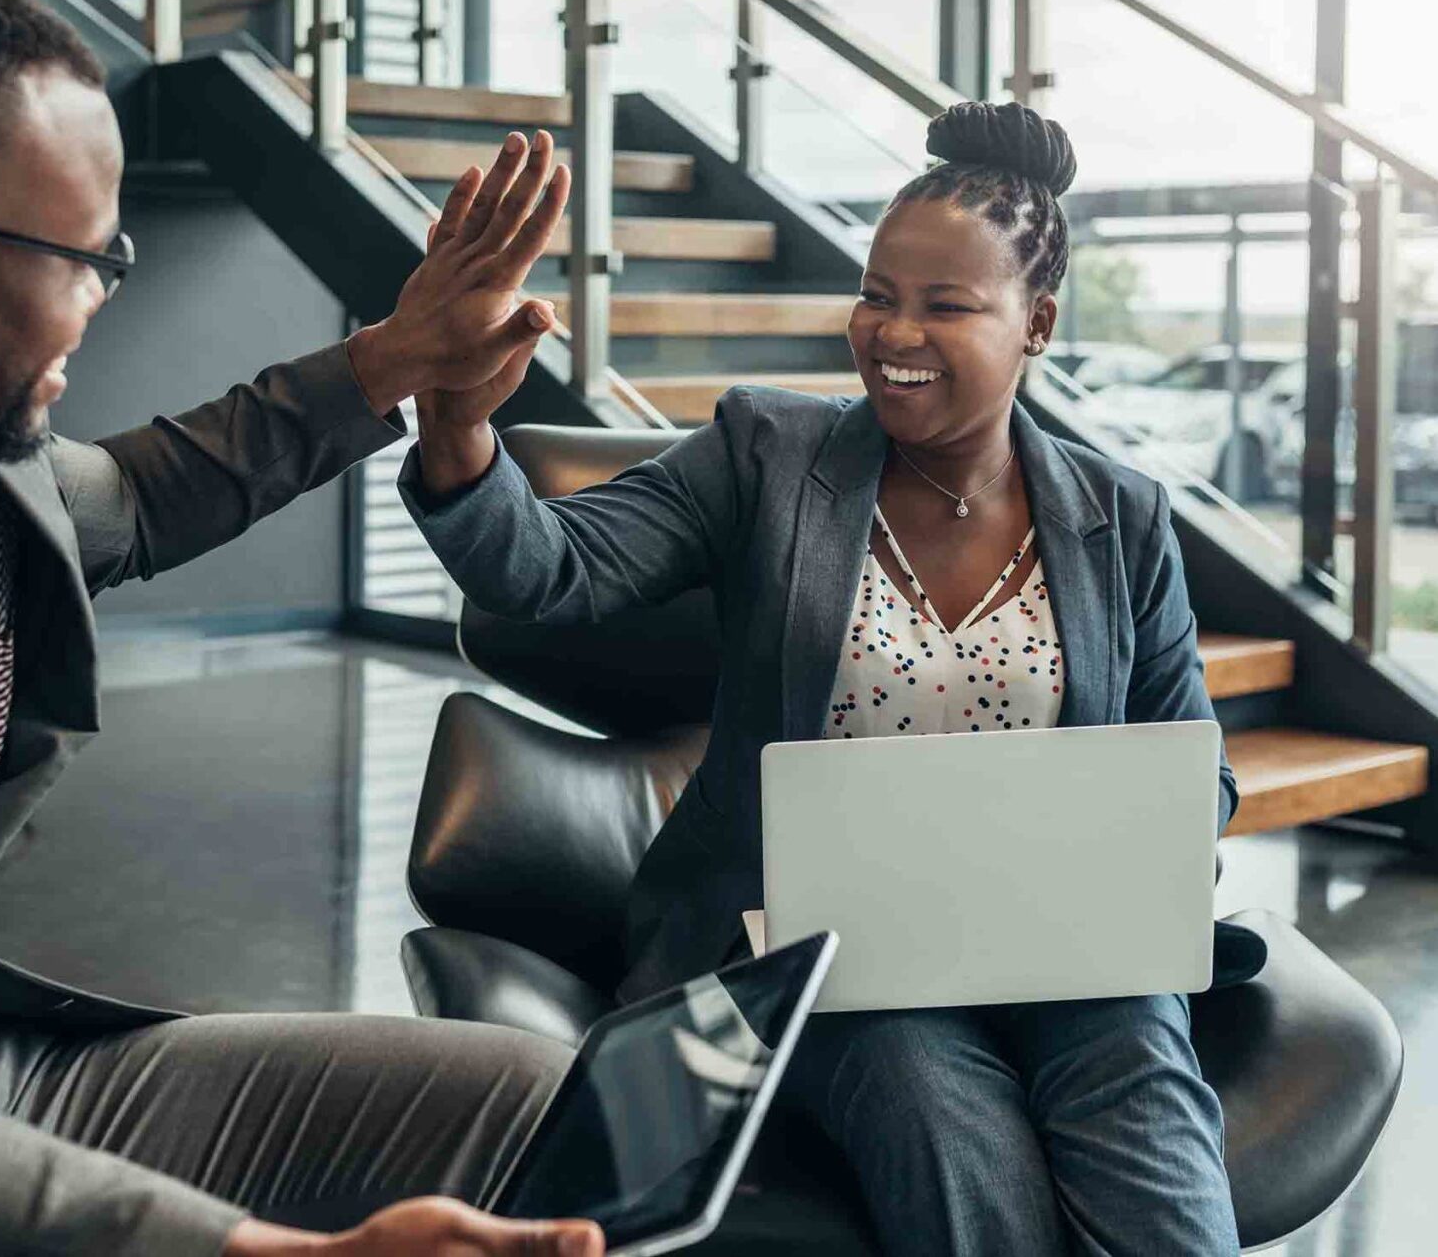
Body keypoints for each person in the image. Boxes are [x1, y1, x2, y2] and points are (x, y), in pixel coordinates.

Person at [0, 0, 599, 1257]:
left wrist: (399, 359)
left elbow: (137, 494)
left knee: (550, 1109)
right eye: (90, 259)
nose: (102, 297)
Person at [402, 102, 1265, 1256]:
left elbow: (1189, 762)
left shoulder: (1123, 516)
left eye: (945, 305)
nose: (890, 331)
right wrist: (457, 423)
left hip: (1061, 943)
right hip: (824, 953)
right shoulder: (768, 455)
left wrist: (1141, 843)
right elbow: (540, 569)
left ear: (1036, 323)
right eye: (877, 293)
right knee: (947, 1132)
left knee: (1152, 1139)